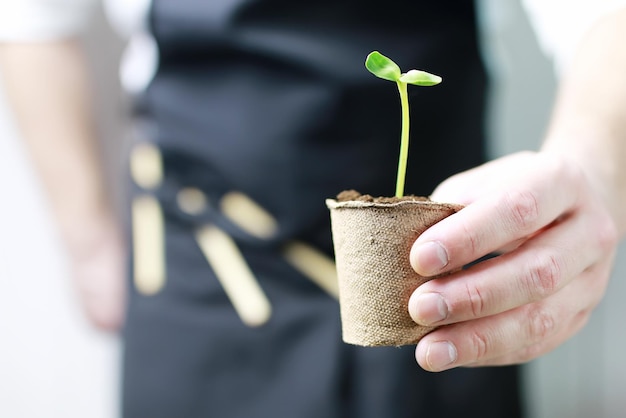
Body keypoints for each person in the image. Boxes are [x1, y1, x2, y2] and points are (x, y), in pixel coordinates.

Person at [1, 1, 625, 417]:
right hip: (204, 260)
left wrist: (591, 164)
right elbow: (32, 20)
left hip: (440, 280)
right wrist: (86, 240)